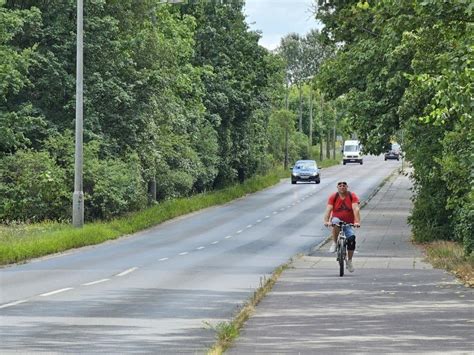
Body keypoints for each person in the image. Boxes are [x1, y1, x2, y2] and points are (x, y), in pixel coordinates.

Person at [323, 181, 361, 272]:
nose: (342, 187)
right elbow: (328, 209)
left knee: (351, 239)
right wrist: (326, 221)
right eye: (340, 186)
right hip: (336, 219)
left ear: (347, 187)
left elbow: (356, 208)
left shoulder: (352, 196)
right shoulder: (334, 196)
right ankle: (335, 243)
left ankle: (349, 261)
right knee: (336, 223)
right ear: (337, 187)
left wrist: (357, 222)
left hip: (348, 222)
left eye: (344, 186)